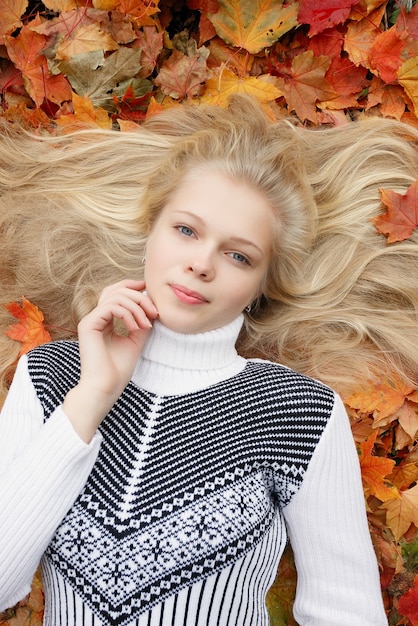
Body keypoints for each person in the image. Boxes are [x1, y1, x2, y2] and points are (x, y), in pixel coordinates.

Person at [0, 95, 397, 625]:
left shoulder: (300, 411)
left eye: (239, 256)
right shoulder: (50, 377)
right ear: (150, 232)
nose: (200, 264)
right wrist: (92, 397)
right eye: (186, 230)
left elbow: (347, 614)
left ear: (261, 286)